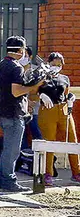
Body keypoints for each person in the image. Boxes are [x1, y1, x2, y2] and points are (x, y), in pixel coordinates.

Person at [0, 36, 44, 192]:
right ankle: (8, 180)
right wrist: (33, 86)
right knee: (12, 150)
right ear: (20, 50)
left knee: (8, 148)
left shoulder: (2, 65)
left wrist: (4, 95)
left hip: (2, 111)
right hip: (14, 113)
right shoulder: (16, 68)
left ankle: (1, 179)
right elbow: (16, 91)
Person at [36, 52, 80, 185]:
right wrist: (41, 96)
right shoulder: (42, 77)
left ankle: (76, 172)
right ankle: (47, 173)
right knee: (49, 142)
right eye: (53, 64)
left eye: (59, 65)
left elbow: (66, 93)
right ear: (48, 64)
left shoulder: (65, 78)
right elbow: (33, 92)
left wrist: (70, 97)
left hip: (64, 110)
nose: (56, 67)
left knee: (72, 140)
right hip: (48, 110)